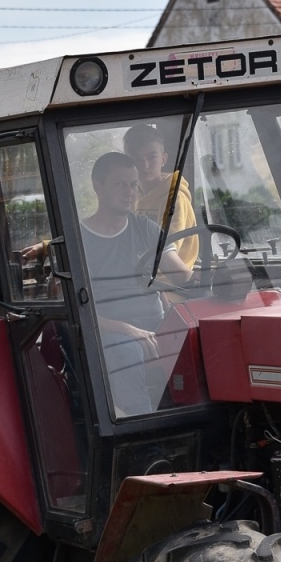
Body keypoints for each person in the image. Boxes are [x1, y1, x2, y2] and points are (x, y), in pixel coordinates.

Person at [81, 152, 191, 416]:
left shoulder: (146, 229)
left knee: (200, 338)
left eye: (133, 184)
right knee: (125, 352)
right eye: (119, 184)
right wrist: (128, 330)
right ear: (98, 185)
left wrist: (217, 277)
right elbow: (79, 310)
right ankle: (144, 441)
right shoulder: (80, 239)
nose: (129, 192)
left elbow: (181, 275)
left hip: (155, 326)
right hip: (108, 333)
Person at [123, 123, 198, 269]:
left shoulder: (175, 198)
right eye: (137, 159)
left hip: (170, 283)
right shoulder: (129, 197)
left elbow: (167, 252)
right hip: (140, 277)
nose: (145, 165)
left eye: (152, 157)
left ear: (163, 159)